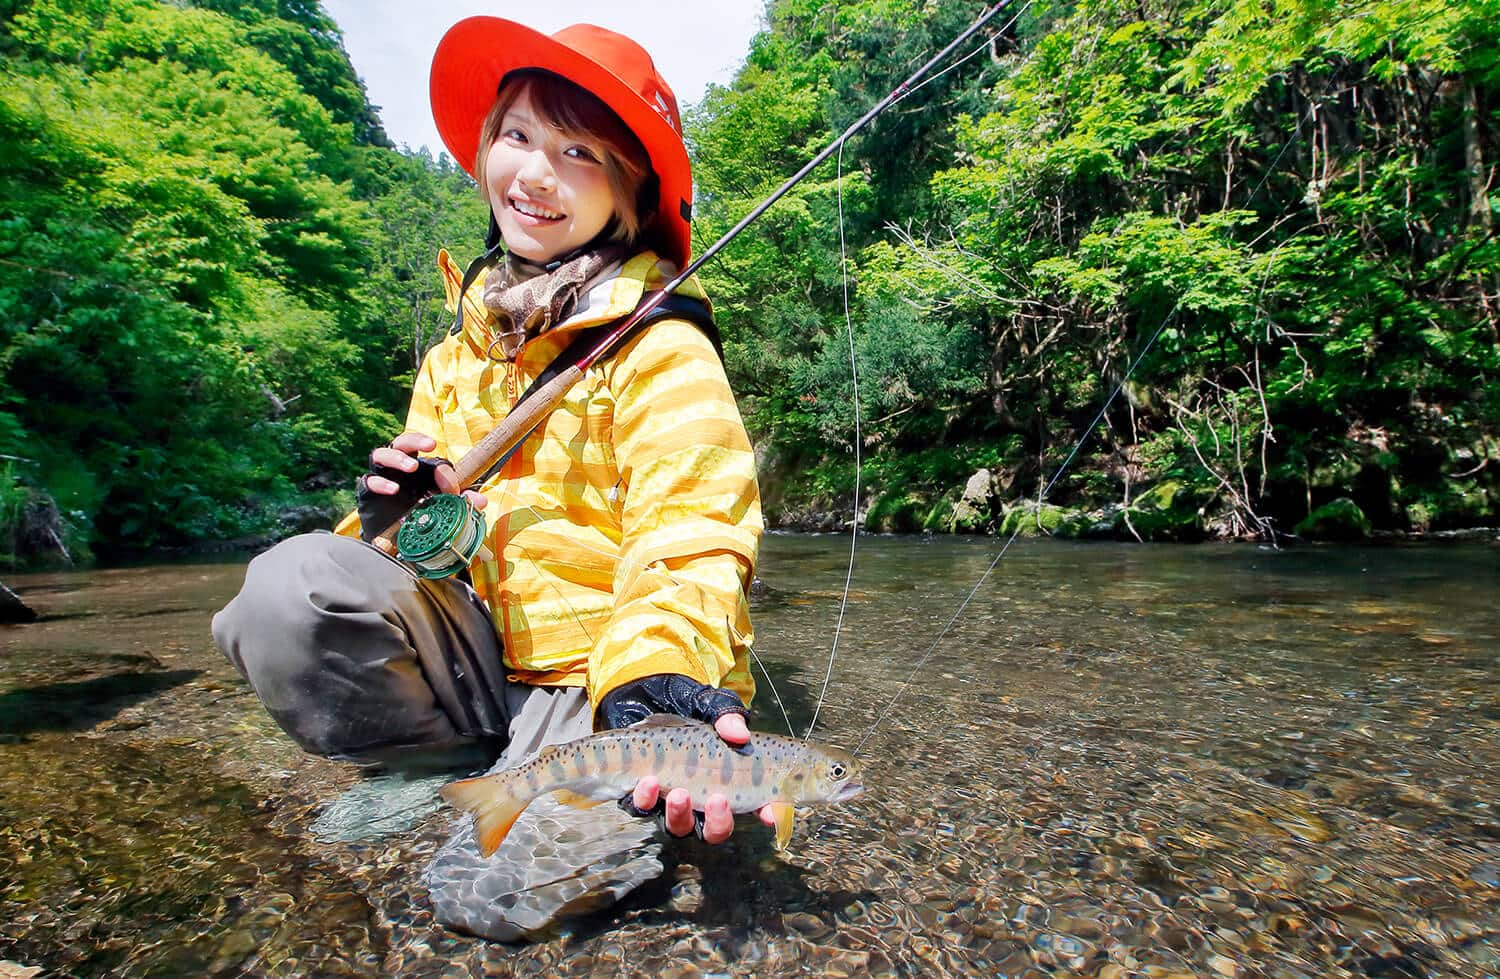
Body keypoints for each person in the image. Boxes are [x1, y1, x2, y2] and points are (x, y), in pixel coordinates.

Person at [211, 17, 766, 937]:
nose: (535, 172)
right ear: (484, 151)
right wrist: (386, 528)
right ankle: (447, 769)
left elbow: (695, 532)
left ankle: (546, 777)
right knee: (289, 589)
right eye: (517, 135)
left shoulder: (666, 347)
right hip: (482, 654)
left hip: (602, 676)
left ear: (630, 190)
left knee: (494, 899)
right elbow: (430, 558)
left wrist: (653, 682)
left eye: (579, 149)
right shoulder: (452, 355)